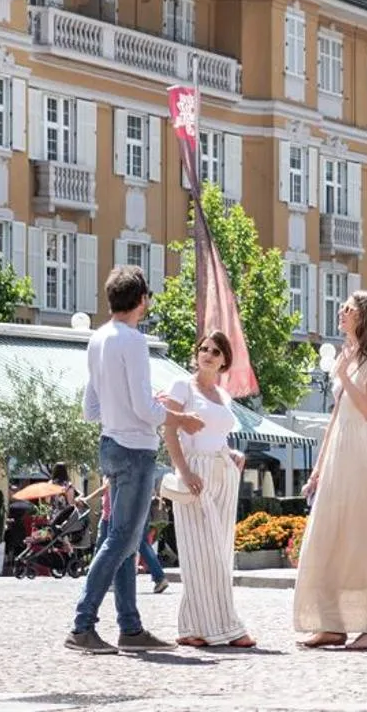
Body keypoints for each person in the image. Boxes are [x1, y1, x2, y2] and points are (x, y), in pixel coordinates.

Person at [65, 265, 200, 655]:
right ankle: (82, 624)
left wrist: (127, 407)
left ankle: (130, 627)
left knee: (121, 539)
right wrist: (181, 418)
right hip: (137, 450)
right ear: (142, 300)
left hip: (109, 445)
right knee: (122, 539)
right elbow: (145, 410)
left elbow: (90, 409)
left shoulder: (98, 338)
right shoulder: (135, 341)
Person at [293, 291, 367, 651]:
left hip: (365, 453)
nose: (341, 311)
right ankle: (331, 623)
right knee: (328, 536)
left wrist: (343, 375)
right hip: (340, 450)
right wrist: (318, 467)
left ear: (364, 317)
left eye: (348, 309)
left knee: (365, 540)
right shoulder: (348, 355)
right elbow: (336, 417)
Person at [158, 331, 253, 648]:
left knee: (219, 552)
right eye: (204, 349)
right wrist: (184, 471)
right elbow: (169, 431)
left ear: (225, 359)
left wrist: (231, 453)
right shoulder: (182, 386)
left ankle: (197, 626)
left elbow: (217, 435)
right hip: (194, 472)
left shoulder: (224, 396)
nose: (208, 354)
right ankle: (223, 626)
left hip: (223, 473)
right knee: (198, 553)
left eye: (215, 351)